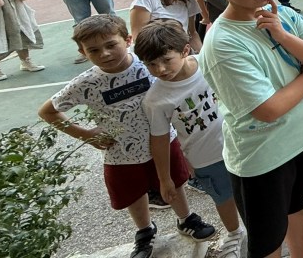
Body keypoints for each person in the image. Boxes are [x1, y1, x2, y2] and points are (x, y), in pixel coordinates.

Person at [38, 15, 214, 258]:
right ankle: (145, 231)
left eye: (111, 45)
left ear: (128, 40)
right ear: (82, 52)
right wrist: (85, 134)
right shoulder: (87, 82)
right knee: (134, 193)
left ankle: (186, 218)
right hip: (121, 153)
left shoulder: (149, 65)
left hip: (164, 141)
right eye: (94, 50)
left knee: (174, 182)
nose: (105, 54)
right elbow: (47, 111)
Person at [200, 0, 303, 258]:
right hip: (263, 159)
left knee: (298, 210)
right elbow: (269, 109)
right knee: (268, 241)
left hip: (302, 140)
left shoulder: (283, 15)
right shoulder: (223, 43)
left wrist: (283, 36)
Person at [135, 21, 245, 258]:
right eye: (151, 64)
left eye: (166, 60)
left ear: (185, 50)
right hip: (206, 158)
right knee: (223, 197)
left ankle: (262, 227)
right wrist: (165, 179)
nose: (160, 69)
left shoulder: (209, 62)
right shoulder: (155, 99)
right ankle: (235, 232)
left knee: (253, 189)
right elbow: (160, 140)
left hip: (242, 144)